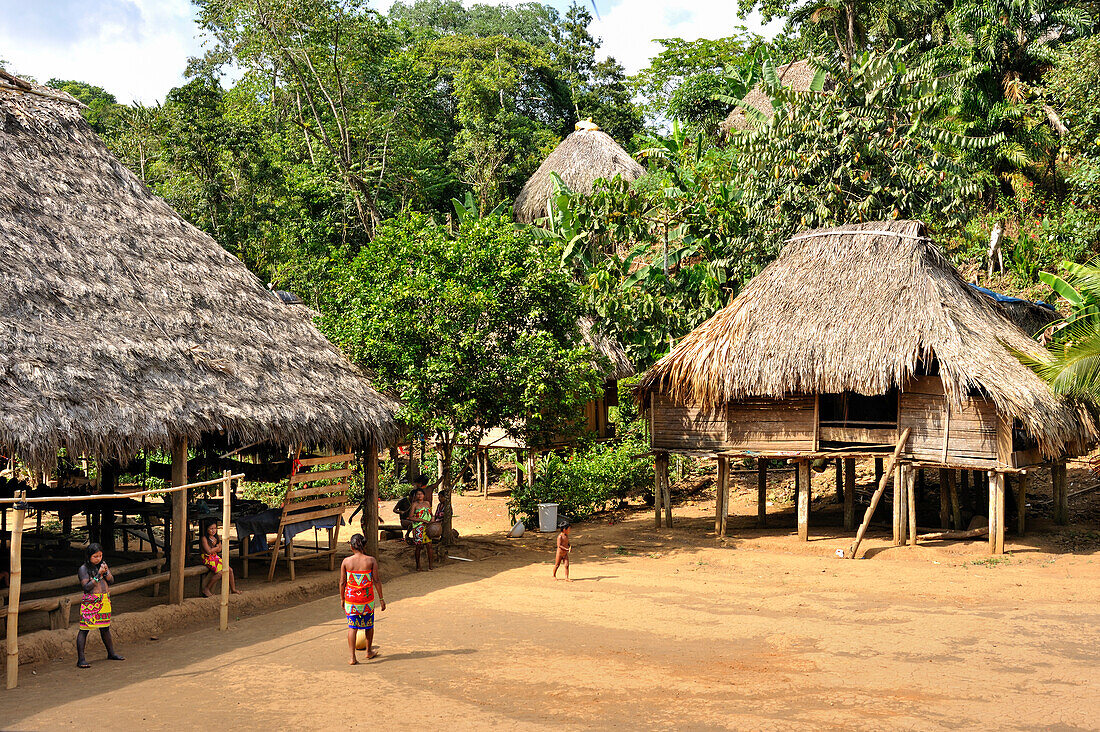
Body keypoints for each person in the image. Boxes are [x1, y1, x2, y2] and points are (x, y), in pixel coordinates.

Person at [76, 543, 124, 668]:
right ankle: (81, 659)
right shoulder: (83, 569)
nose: (98, 559)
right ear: (89, 557)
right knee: (84, 629)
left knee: (105, 628)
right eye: (95, 556)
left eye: (100, 556)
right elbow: (86, 587)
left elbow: (111, 581)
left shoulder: (103, 565)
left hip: (104, 600)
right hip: (91, 602)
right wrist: (98, 575)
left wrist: (106, 572)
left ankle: (111, 653)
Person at [340, 533, 385, 664]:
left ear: (351, 546)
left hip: (351, 601)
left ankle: (352, 657)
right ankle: (368, 651)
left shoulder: (346, 561)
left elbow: (342, 582)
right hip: (367, 601)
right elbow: (376, 580)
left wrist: (342, 598)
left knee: (352, 628)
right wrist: (381, 599)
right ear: (363, 545)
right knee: (369, 626)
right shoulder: (371, 561)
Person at [200, 520, 242, 597]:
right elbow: (208, 551)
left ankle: (233, 589)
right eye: (211, 528)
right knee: (220, 573)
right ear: (206, 529)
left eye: (215, 528)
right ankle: (206, 588)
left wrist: (215, 548)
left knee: (230, 570)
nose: (213, 530)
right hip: (208, 559)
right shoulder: (204, 538)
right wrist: (216, 547)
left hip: (215, 557)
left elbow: (220, 549)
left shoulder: (216, 537)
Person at [408, 488, 434, 571]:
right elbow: (410, 517)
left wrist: (432, 520)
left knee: (429, 545)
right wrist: (422, 520)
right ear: (415, 496)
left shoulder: (427, 503)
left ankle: (430, 565)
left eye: (421, 494)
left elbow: (431, 514)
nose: (420, 496)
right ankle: (418, 566)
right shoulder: (414, 505)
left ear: (424, 495)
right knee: (419, 546)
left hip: (427, 527)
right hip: (418, 527)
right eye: (418, 494)